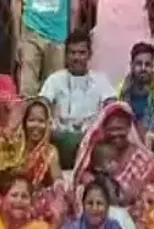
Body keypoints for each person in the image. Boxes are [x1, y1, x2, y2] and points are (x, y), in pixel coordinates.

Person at [0, 96, 70, 225]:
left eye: (41, 121)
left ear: (48, 124)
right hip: (3, 198)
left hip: (30, 202)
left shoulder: (49, 151)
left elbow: (57, 178)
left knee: (53, 201)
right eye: (32, 120)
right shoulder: (10, 142)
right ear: (24, 122)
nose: (37, 126)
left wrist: (59, 193)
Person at [41, 29, 116, 168]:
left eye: (82, 53)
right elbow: (41, 106)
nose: (77, 57)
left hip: (91, 140)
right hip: (60, 139)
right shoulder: (54, 79)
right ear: (66, 55)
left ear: (89, 55)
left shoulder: (101, 80)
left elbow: (113, 108)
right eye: (72, 53)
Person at [72, 102, 154, 213]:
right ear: (104, 129)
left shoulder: (143, 156)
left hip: (133, 211)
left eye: (120, 128)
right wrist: (89, 180)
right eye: (111, 129)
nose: (116, 134)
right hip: (100, 208)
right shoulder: (97, 151)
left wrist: (140, 191)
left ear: (128, 128)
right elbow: (82, 174)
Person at [118, 42, 154, 135]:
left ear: (153, 66)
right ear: (131, 65)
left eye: (147, 64)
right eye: (139, 64)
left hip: (153, 138)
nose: (143, 68)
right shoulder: (121, 89)